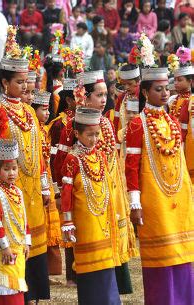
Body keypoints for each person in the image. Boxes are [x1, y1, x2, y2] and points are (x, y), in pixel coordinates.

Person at [0, 27, 50, 304]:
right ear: (6, 83)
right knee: (12, 241)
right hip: (7, 189)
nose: (25, 87)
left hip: (31, 190)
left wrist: (45, 185)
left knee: (31, 242)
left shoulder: (29, 113)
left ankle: (33, 295)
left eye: (27, 82)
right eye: (20, 82)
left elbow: (40, 152)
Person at [126, 67, 194, 305]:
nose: (165, 93)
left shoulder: (173, 121)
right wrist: (135, 203)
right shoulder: (137, 125)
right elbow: (131, 166)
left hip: (179, 198)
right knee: (161, 261)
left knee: (184, 258)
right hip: (154, 202)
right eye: (158, 89)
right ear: (145, 92)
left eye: (167, 88)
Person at [61, 107, 121, 305]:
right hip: (85, 223)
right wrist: (67, 222)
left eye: (97, 134)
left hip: (103, 220)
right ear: (77, 134)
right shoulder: (72, 159)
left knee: (106, 265)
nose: (94, 139)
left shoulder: (101, 156)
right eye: (90, 135)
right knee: (90, 268)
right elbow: (67, 193)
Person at [0, 140, 30, 305]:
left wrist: (27, 242)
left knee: (16, 283)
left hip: (18, 247)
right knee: (5, 286)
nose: (11, 173)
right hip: (2, 250)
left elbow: (24, 219)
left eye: (14, 168)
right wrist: (4, 247)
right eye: (6, 169)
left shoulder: (18, 192)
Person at [47, 78, 77, 286]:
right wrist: (58, 188)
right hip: (68, 178)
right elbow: (55, 158)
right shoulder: (60, 124)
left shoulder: (90, 119)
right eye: (79, 96)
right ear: (69, 100)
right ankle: (73, 275)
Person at [32, 91, 63, 278]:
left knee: (52, 222)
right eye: (43, 110)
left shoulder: (45, 129)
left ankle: (52, 270)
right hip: (37, 179)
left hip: (48, 179)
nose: (47, 113)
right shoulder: (34, 129)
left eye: (48, 110)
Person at [168, 47, 194, 182]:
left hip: (187, 145)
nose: (176, 83)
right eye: (175, 80)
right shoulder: (173, 101)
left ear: (190, 81)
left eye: (180, 80)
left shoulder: (191, 101)